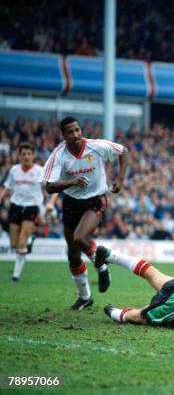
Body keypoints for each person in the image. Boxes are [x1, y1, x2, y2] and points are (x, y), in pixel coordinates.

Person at [39, 117, 129, 310]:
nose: (76, 135)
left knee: (80, 238)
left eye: (77, 130)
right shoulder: (58, 155)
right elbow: (49, 187)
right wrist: (71, 182)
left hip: (95, 200)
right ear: (63, 135)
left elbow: (123, 151)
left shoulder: (96, 146)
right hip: (71, 202)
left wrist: (120, 180)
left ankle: (102, 265)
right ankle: (85, 297)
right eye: (70, 132)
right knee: (72, 253)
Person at [0, 143, 57, 281]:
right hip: (15, 206)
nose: (26, 156)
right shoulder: (14, 170)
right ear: (20, 156)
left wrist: (51, 202)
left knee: (21, 241)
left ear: (33, 155)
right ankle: (30, 240)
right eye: (23, 154)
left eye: (29, 154)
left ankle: (16, 275)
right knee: (14, 244)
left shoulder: (39, 171)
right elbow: (6, 187)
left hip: (32, 207)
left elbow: (53, 188)